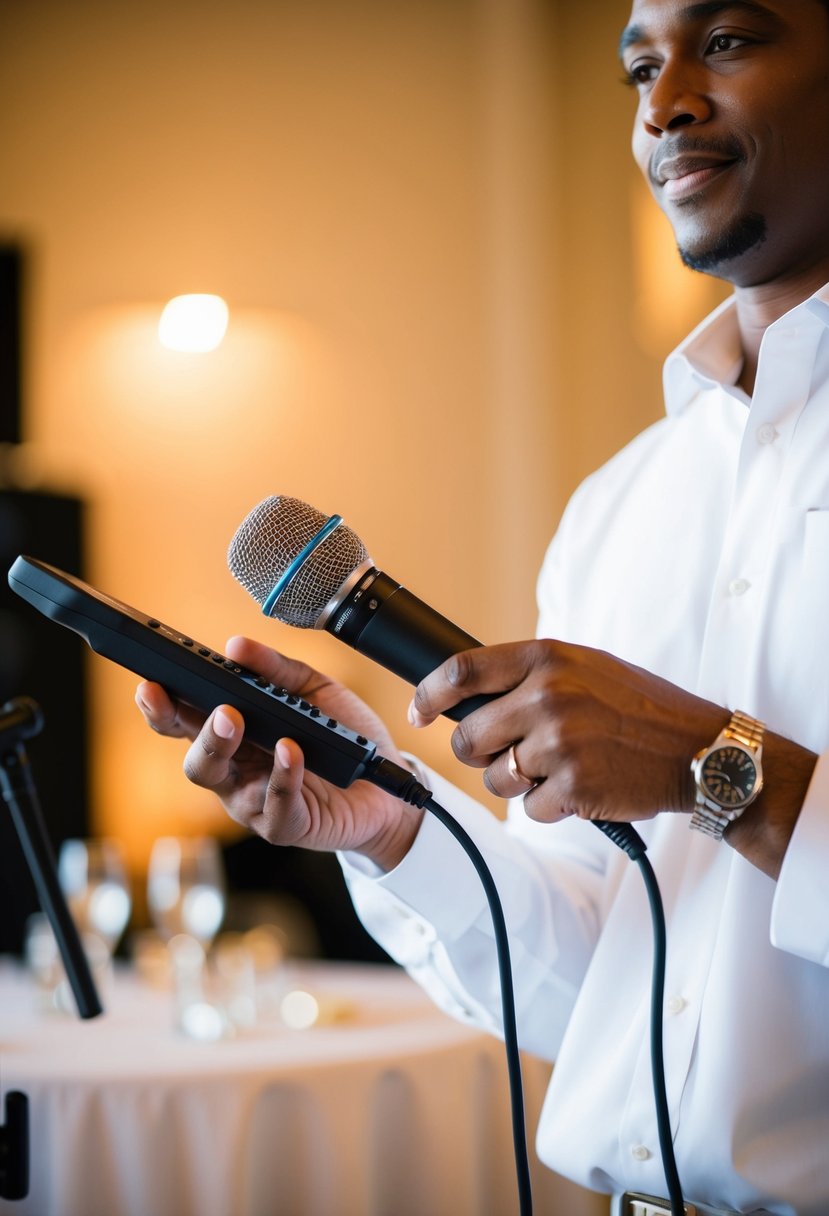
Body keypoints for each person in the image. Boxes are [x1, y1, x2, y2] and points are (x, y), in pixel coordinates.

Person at [135, 1, 829, 1211]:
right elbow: (592, 985)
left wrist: (714, 767)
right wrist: (392, 827)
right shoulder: (617, 506)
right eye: (635, 66)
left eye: (725, 41)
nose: (659, 105)